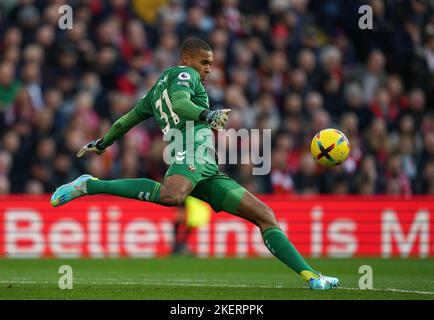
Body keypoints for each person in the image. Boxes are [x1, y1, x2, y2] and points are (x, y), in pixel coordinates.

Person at [51, 37, 339, 290]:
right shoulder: (184, 74)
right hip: (188, 153)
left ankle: (311, 276)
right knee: (172, 195)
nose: (208, 69)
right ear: (186, 59)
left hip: (206, 168)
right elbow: (179, 103)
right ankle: (90, 185)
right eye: (204, 62)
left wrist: (102, 143)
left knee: (265, 215)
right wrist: (207, 115)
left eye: (211, 64)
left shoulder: (153, 94)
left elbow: (126, 120)